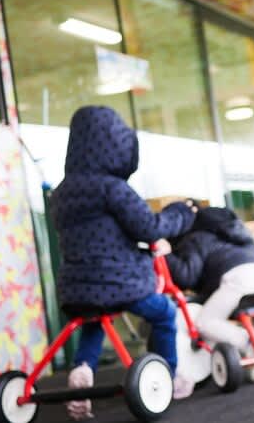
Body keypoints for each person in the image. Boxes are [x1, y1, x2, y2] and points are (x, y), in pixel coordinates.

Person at [50, 105, 198, 420]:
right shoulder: (112, 189)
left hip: (77, 287)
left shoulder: (62, 193)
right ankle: (166, 375)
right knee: (164, 312)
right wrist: (181, 213)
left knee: (95, 319)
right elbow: (149, 228)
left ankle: (83, 368)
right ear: (116, 145)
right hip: (120, 283)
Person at [164, 206, 254, 353]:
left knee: (205, 323)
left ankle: (250, 342)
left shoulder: (197, 238)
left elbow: (187, 276)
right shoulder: (241, 234)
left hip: (239, 279)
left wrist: (166, 255)